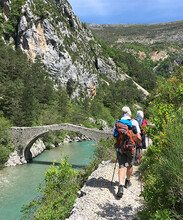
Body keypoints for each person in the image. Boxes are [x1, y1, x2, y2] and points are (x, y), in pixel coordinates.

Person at [113, 106, 142, 198]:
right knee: (129, 165)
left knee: (121, 166)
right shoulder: (134, 122)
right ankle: (127, 181)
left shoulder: (117, 123)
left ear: (122, 113)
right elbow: (138, 137)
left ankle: (120, 186)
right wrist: (139, 144)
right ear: (130, 113)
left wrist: (119, 143)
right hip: (131, 148)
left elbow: (114, 136)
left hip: (120, 149)